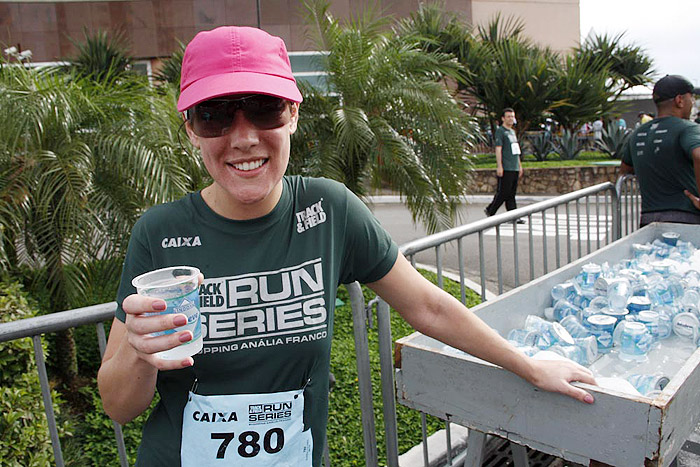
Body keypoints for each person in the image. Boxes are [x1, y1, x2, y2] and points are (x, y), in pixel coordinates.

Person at [97, 27, 596, 467]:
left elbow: (428, 306)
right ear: (190, 128)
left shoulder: (329, 209)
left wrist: (527, 365)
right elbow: (119, 405)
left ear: (292, 115)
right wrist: (140, 354)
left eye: (266, 110)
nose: (244, 137)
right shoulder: (158, 232)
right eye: (214, 116)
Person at [619, 74, 700, 227]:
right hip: (687, 218)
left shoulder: (636, 134)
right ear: (680, 100)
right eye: (692, 98)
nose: (692, 103)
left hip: (649, 220)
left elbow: (625, 170)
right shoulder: (688, 129)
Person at [484, 108, 525, 222]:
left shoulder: (512, 132)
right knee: (503, 192)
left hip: (514, 166)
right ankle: (490, 210)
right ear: (503, 118)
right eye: (508, 116)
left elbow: (516, 151)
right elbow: (498, 149)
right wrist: (499, 166)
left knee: (511, 194)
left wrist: (519, 165)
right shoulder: (500, 131)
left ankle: (513, 216)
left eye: (512, 116)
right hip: (506, 167)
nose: (511, 119)